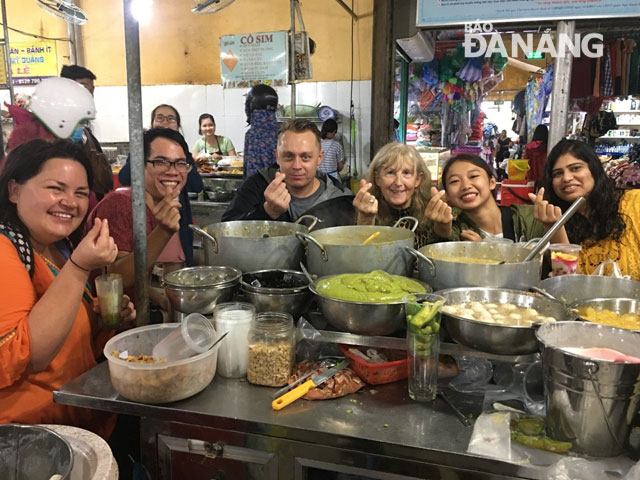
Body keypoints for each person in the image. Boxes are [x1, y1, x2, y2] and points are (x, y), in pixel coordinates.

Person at [0, 139, 134, 437]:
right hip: (30, 438)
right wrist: (79, 267)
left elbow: (66, 341)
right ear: (14, 190)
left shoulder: (58, 247)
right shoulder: (5, 249)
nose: (70, 202)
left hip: (78, 424)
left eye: (81, 193)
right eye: (55, 188)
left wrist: (101, 320)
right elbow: (28, 355)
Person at [87, 128, 194, 317]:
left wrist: (156, 296)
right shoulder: (122, 205)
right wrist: (164, 231)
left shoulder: (160, 205)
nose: (173, 171)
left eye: (180, 163)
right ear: (139, 166)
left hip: (134, 315)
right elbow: (117, 278)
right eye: (161, 162)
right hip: (108, 326)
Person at [531, 139, 640, 280]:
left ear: (594, 170)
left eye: (575, 168)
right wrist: (554, 227)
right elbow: (569, 284)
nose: (567, 178)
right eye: (558, 173)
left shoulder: (634, 202)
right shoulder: (563, 222)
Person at [223, 118, 355, 227]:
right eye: (288, 157)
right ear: (277, 157)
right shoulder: (257, 185)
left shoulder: (340, 199)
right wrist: (267, 211)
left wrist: (366, 220)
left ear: (319, 158)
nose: (297, 166)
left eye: (305, 157)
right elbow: (226, 231)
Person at [426, 153, 549, 242]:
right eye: (454, 181)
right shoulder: (459, 233)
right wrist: (442, 228)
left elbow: (560, 262)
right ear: (447, 195)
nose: (466, 186)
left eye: (473, 176)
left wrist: (553, 225)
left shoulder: (528, 218)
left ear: (492, 182)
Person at [352, 142, 437, 248]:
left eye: (406, 173)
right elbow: (359, 258)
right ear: (377, 178)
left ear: (418, 179)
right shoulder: (366, 211)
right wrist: (366, 219)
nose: (398, 182)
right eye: (391, 172)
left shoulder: (430, 214)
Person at [118, 104, 203, 195]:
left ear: (178, 126)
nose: (165, 122)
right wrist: (141, 148)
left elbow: (196, 186)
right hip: (148, 206)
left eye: (171, 119)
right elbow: (124, 178)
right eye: (160, 118)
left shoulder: (183, 153)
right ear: (152, 123)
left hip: (177, 206)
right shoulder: (141, 150)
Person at [60, 64, 114, 199]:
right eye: (83, 88)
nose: (89, 95)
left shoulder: (84, 131)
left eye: (91, 91)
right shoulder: (49, 129)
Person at [243, 83, 280, 178]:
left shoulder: (253, 135)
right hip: (282, 188)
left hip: (259, 190)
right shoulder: (282, 132)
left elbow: (251, 173)